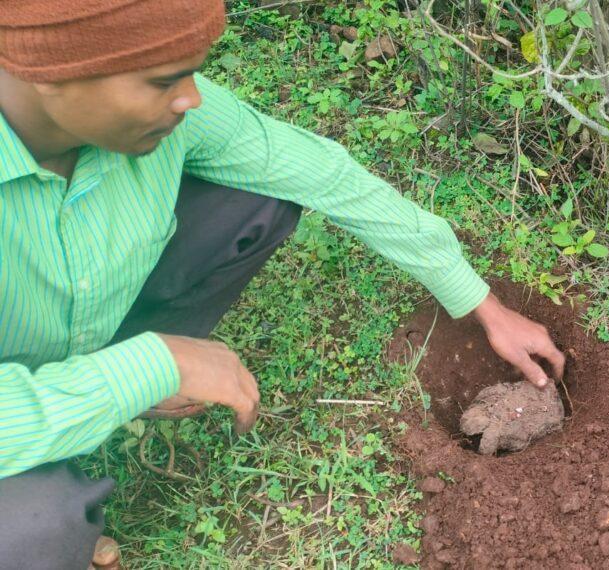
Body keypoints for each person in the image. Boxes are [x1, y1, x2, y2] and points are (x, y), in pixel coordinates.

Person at [0, 1, 565, 567]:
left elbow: (319, 173)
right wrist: (145, 368)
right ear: (51, 71)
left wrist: (479, 301)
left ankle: (131, 375)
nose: (192, 98)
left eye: (193, 72)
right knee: (38, 528)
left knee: (256, 198)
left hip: (81, 328)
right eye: (162, 80)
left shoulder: (182, 115)